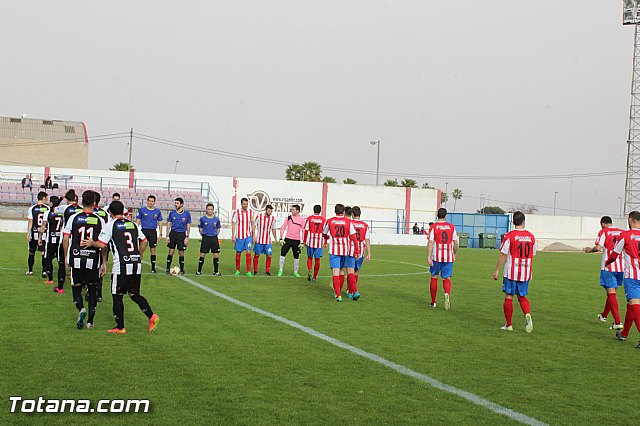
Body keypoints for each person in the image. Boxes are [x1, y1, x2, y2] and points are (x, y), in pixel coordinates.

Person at [82, 200, 159, 334]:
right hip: (135, 264)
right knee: (134, 293)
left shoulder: (110, 225)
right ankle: (152, 316)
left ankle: (120, 327)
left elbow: (101, 244)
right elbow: (144, 241)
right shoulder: (133, 224)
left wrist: (91, 242)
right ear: (122, 211)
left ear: (110, 212)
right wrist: (139, 255)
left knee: (117, 295)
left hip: (121, 266)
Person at [62, 190, 106, 330]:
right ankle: (90, 322)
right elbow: (103, 243)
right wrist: (104, 261)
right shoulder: (99, 219)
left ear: (81, 201)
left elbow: (65, 238)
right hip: (92, 259)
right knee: (92, 289)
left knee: (76, 286)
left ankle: (81, 309)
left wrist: (65, 257)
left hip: (76, 257)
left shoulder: (74, 218)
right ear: (94, 203)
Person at [492, 211, 536, 333]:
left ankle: (509, 325)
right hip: (525, 272)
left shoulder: (509, 236)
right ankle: (527, 314)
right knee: (522, 296)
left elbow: (503, 255)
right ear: (524, 221)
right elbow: (532, 254)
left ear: (512, 222)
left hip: (511, 271)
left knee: (509, 297)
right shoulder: (531, 237)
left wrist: (496, 270)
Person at [605, 211, 640, 345]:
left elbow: (614, 254)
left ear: (630, 220)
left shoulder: (625, 235)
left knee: (635, 305)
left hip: (632, 276)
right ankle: (624, 334)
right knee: (631, 306)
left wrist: (607, 263)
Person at [584, 216, 624, 329]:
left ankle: (618, 322)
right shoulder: (622, 232)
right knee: (612, 294)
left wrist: (589, 250)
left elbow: (598, 248)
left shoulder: (604, 231)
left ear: (602, 223)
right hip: (621, 267)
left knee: (611, 294)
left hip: (608, 266)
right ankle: (604, 315)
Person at [323, 204, 360, 302]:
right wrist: (356, 250)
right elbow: (353, 237)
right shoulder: (348, 222)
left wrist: (327, 238)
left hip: (334, 250)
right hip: (345, 250)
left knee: (336, 272)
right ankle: (355, 291)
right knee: (342, 271)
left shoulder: (330, 221)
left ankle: (338, 295)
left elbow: (324, 233)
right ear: (343, 212)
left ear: (335, 211)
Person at [427, 208, 459, 310]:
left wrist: (429, 256)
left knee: (434, 276)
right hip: (448, 257)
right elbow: (456, 243)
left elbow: (431, 242)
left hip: (437, 256)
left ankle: (434, 302)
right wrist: (453, 253)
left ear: (437, 215)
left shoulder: (433, 227)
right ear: (445, 215)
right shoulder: (451, 227)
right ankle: (446, 293)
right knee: (446, 278)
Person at [53, 189, 81, 294]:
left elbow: (53, 208)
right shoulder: (81, 209)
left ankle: (60, 286)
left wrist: (61, 198)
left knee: (62, 263)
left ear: (67, 199)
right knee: (78, 263)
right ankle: (80, 284)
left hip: (66, 238)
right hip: (78, 240)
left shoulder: (65, 208)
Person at [39, 195, 65, 286]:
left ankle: (50, 279)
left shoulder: (48, 212)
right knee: (61, 260)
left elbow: (43, 226)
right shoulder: (62, 213)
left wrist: (40, 237)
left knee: (48, 259)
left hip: (50, 239)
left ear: (51, 203)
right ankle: (63, 278)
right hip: (60, 240)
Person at [347, 206, 371, 300]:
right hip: (361, 249)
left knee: (350, 271)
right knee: (356, 271)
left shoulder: (350, 223)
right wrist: (369, 253)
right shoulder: (365, 225)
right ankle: (351, 290)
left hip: (351, 248)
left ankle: (353, 291)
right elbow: (367, 239)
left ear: (352, 214)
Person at [136, 195, 163, 273]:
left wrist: (160, 234)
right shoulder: (142, 210)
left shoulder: (157, 211)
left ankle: (153, 268)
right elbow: (138, 221)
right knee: (140, 250)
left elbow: (160, 222)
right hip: (143, 231)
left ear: (154, 202)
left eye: (152, 201)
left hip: (152, 232)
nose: (150, 202)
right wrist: (136, 231)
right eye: (149, 201)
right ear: (147, 201)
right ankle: (138, 267)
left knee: (153, 250)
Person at [165, 197, 191, 275]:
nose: (175, 204)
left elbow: (188, 225)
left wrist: (187, 237)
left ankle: (182, 269)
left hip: (182, 234)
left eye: (177, 203)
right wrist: (167, 235)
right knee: (171, 251)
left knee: (181, 252)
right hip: (173, 234)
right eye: (175, 203)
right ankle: (167, 268)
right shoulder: (172, 213)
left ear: (181, 204)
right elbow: (168, 224)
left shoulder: (186, 214)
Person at [278, 204, 305, 277]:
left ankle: (296, 272)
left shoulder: (302, 220)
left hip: (296, 240)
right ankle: (280, 270)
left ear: (298, 211)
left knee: (296, 256)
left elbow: (303, 231)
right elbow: (283, 227)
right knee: (283, 253)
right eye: (292, 209)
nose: (292, 211)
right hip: (288, 239)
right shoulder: (289, 218)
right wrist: (281, 237)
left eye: (293, 209)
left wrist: (302, 242)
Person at [26, 191, 49, 276]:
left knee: (31, 252)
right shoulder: (47, 208)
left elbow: (30, 222)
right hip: (43, 234)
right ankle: (44, 271)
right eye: (46, 197)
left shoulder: (32, 208)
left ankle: (30, 270)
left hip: (34, 233)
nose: (47, 199)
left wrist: (28, 233)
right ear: (43, 198)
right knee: (43, 252)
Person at [197, 203, 222, 276]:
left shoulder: (216, 219)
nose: (210, 211)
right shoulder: (202, 218)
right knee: (202, 254)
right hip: (205, 238)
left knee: (216, 254)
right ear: (206, 210)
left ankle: (216, 271)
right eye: (208, 209)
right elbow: (200, 228)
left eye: (211, 209)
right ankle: (199, 271)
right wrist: (203, 235)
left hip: (214, 238)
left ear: (213, 210)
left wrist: (215, 235)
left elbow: (218, 228)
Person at [252, 204, 278, 275]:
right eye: (269, 211)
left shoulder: (272, 218)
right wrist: (253, 236)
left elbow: (273, 229)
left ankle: (267, 271)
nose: (270, 212)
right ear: (266, 210)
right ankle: (255, 271)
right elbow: (254, 226)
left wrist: (275, 238)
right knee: (257, 255)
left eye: (271, 211)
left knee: (269, 255)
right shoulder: (259, 216)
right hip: (259, 240)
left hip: (267, 241)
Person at [231, 197, 254, 276]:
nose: (245, 205)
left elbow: (252, 224)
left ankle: (248, 271)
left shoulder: (251, 212)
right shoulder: (237, 212)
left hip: (248, 236)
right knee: (238, 252)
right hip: (239, 236)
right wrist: (233, 235)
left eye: (247, 204)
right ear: (241, 204)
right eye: (244, 204)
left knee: (248, 251)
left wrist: (254, 235)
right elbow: (233, 223)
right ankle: (238, 270)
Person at [304, 205, 326, 282]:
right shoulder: (323, 220)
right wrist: (325, 242)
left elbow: (306, 230)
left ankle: (310, 269)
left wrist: (304, 240)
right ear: (320, 211)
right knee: (317, 260)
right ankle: (314, 277)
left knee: (309, 257)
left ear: (313, 210)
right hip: (319, 242)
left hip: (310, 241)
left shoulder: (309, 219)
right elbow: (325, 232)